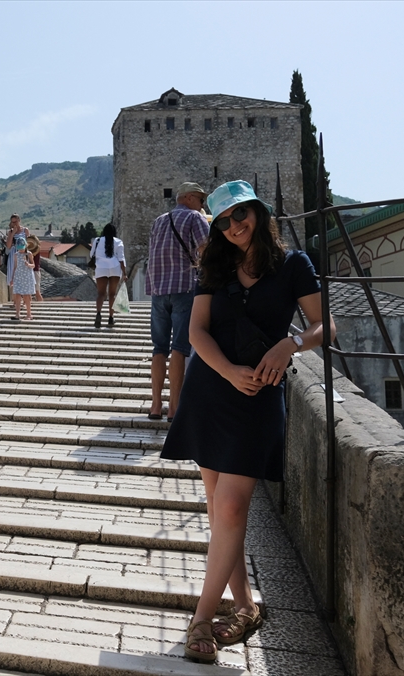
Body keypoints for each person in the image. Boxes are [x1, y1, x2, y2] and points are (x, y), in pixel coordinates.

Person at [160, 181, 333, 664]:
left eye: (241, 214)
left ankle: (201, 620)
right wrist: (228, 371)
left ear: (258, 211)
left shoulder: (293, 264)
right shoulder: (214, 265)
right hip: (213, 388)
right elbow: (196, 331)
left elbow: (325, 325)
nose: (235, 226)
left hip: (259, 395)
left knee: (232, 506)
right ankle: (246, 608)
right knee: (223, 511)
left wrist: (291, 344)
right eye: (224, 221)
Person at [146, 182, 210, 421]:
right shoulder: (195, 217)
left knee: (159, 348)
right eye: (201, 200)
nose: (202, 205)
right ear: (190, 198)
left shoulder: (159, 220)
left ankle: (155, 406)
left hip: (158, 290)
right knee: (179, 348)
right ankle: (174, 408)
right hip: (184, 287)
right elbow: (206, 250)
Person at [90, 223, 125, 328]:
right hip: (115, 268)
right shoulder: (118, 242)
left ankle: (98, 313)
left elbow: (91, 255)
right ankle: (111, 318)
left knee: (101, 294)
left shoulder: (97, 240)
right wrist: (125, 273)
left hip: (101, 268)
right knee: (112, 294)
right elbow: (121, 259)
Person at [11, 237, 37, 320]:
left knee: (26, 295)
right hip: (18, 276)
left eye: (22, 248)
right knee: (17, 295)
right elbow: (15, 267)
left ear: (25, 246)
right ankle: (17, 314)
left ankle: (29, 314)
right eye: (19, 248)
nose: (20, 250)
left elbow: (33, 265)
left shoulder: (29, 254)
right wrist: (12, 278)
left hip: (26, 277)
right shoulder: (16, 255)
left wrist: (28, 264)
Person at [4, 214, 29, 287]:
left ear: (19, 220)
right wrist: (13, 233)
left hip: (23, 253)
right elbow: (8, 246)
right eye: (13, 222)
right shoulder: (10, 232)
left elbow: (29, 242)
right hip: (13, 254)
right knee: (13, 275)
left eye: (15, 222)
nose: (14, 224)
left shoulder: (25, 230)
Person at [29, 235, 44, 302]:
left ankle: (41, 305)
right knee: (31, 292)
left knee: (37, 292)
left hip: (35, 271)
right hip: (33, 271)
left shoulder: (35, 250)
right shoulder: (35, 249)